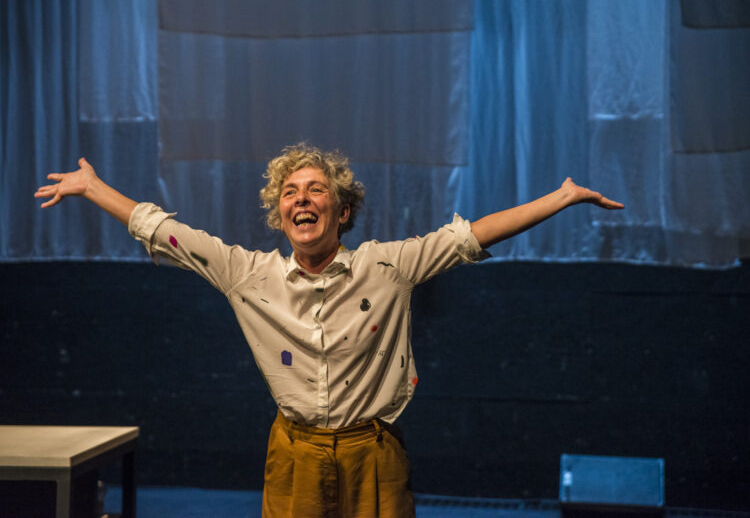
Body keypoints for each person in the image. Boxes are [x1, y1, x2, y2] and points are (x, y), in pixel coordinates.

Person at [35, 143, 623, 517]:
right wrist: (93, 188)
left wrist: (562, 197)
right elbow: (164, 231)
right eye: (290, 193)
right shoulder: (248, 274)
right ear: (280, 216)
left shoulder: (387, 267)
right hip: (295, 452)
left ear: (342, 212)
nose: (302, 198)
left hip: (374, 453)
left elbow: (474, 235)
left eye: (316, 189)